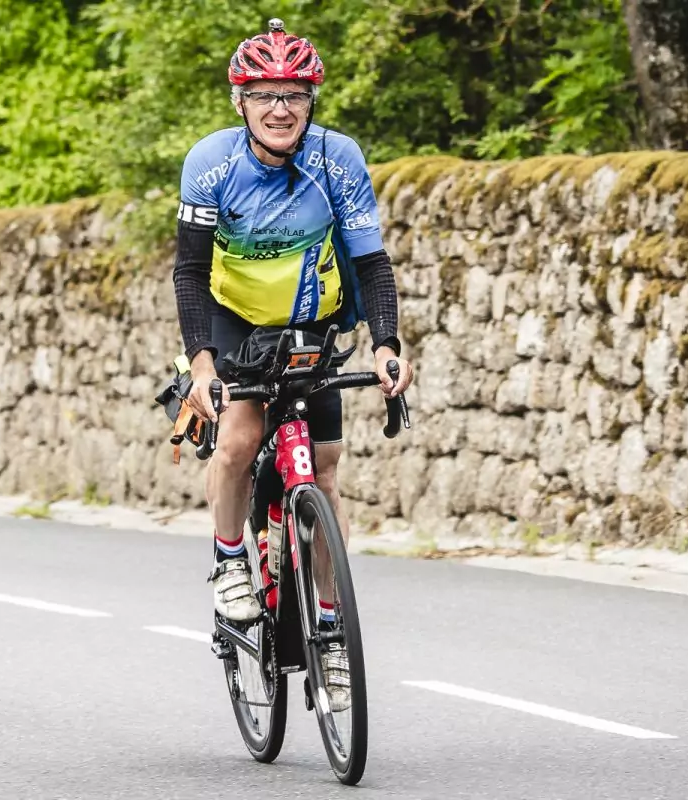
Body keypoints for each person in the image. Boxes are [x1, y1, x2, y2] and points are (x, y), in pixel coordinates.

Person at [172, 19, 414, 706]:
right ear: (240, 102)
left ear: (312, 101)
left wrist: (387, 345)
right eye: (265, 95)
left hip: (315, 319)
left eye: (295, 95)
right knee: (239, 439)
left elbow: (371, 261)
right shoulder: (211, 163)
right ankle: (229, 561)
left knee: (324, 472)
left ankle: (330, 631)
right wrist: (202, 366)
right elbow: (189, 272)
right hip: (236, 319)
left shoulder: (339, 159)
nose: (280, 109)